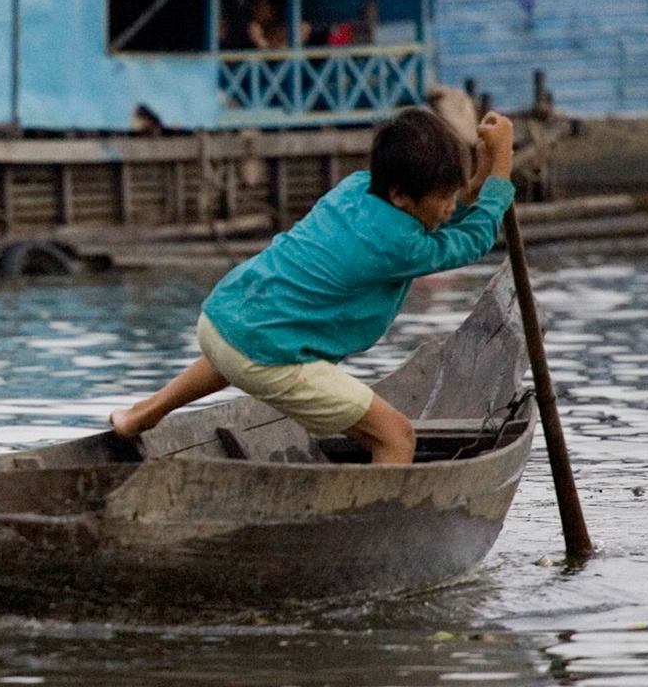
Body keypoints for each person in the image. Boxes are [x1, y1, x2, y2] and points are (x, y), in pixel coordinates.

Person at [111, 106, 516, 464]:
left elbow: (438, 219)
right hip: (264, 356)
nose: (450, 207)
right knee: (395, 436)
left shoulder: (356, 188)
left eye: (453, 195)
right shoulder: (400, 245)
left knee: (241, 346)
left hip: (220, 321)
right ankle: (370, 539)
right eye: (444, 196)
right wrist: (501, 167)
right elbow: (472, 241)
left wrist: (476, 183)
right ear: (399, 195)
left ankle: (140, 415)